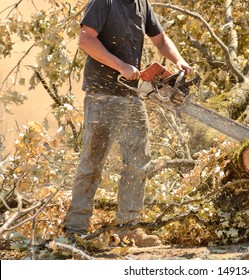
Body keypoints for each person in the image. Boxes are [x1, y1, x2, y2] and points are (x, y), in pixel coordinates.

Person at [64, 0, 191, 247]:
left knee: (137, 162)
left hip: (131, 94)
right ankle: (75, 229)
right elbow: (85, 39)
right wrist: (121, 66)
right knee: (92, 162)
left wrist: (179, 61)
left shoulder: (141, 4)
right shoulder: (104, 2)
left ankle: (129, 228)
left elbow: (161, 40)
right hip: (102, 93)